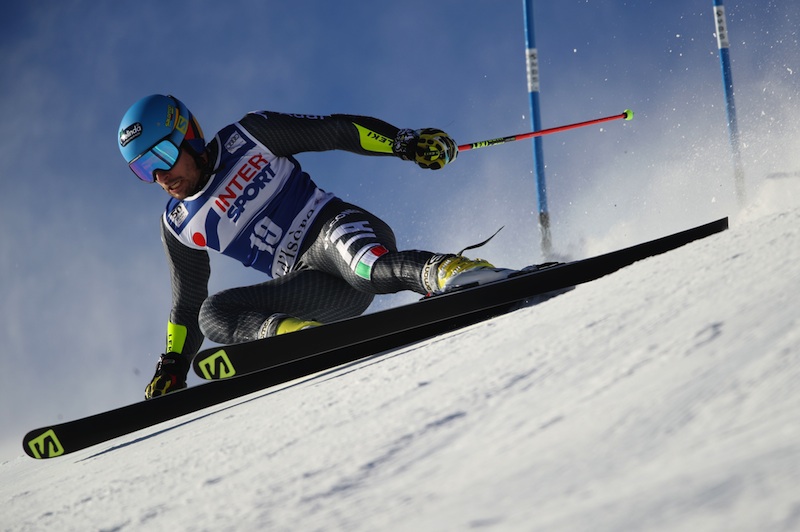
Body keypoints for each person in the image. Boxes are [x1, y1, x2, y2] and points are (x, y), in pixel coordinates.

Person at [118, 94, 513, 399]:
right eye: (142, 169)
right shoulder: (178, 224)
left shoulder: (251, 135)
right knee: (211, 314)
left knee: (366, 266)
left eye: (162, 155)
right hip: (310, 287)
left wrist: (404, 143)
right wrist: (172, 366)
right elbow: (186, 305)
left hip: (332, 228)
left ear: (189, 137)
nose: (160, 175)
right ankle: (296, 338)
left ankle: (455, 271)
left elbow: (336, 130)